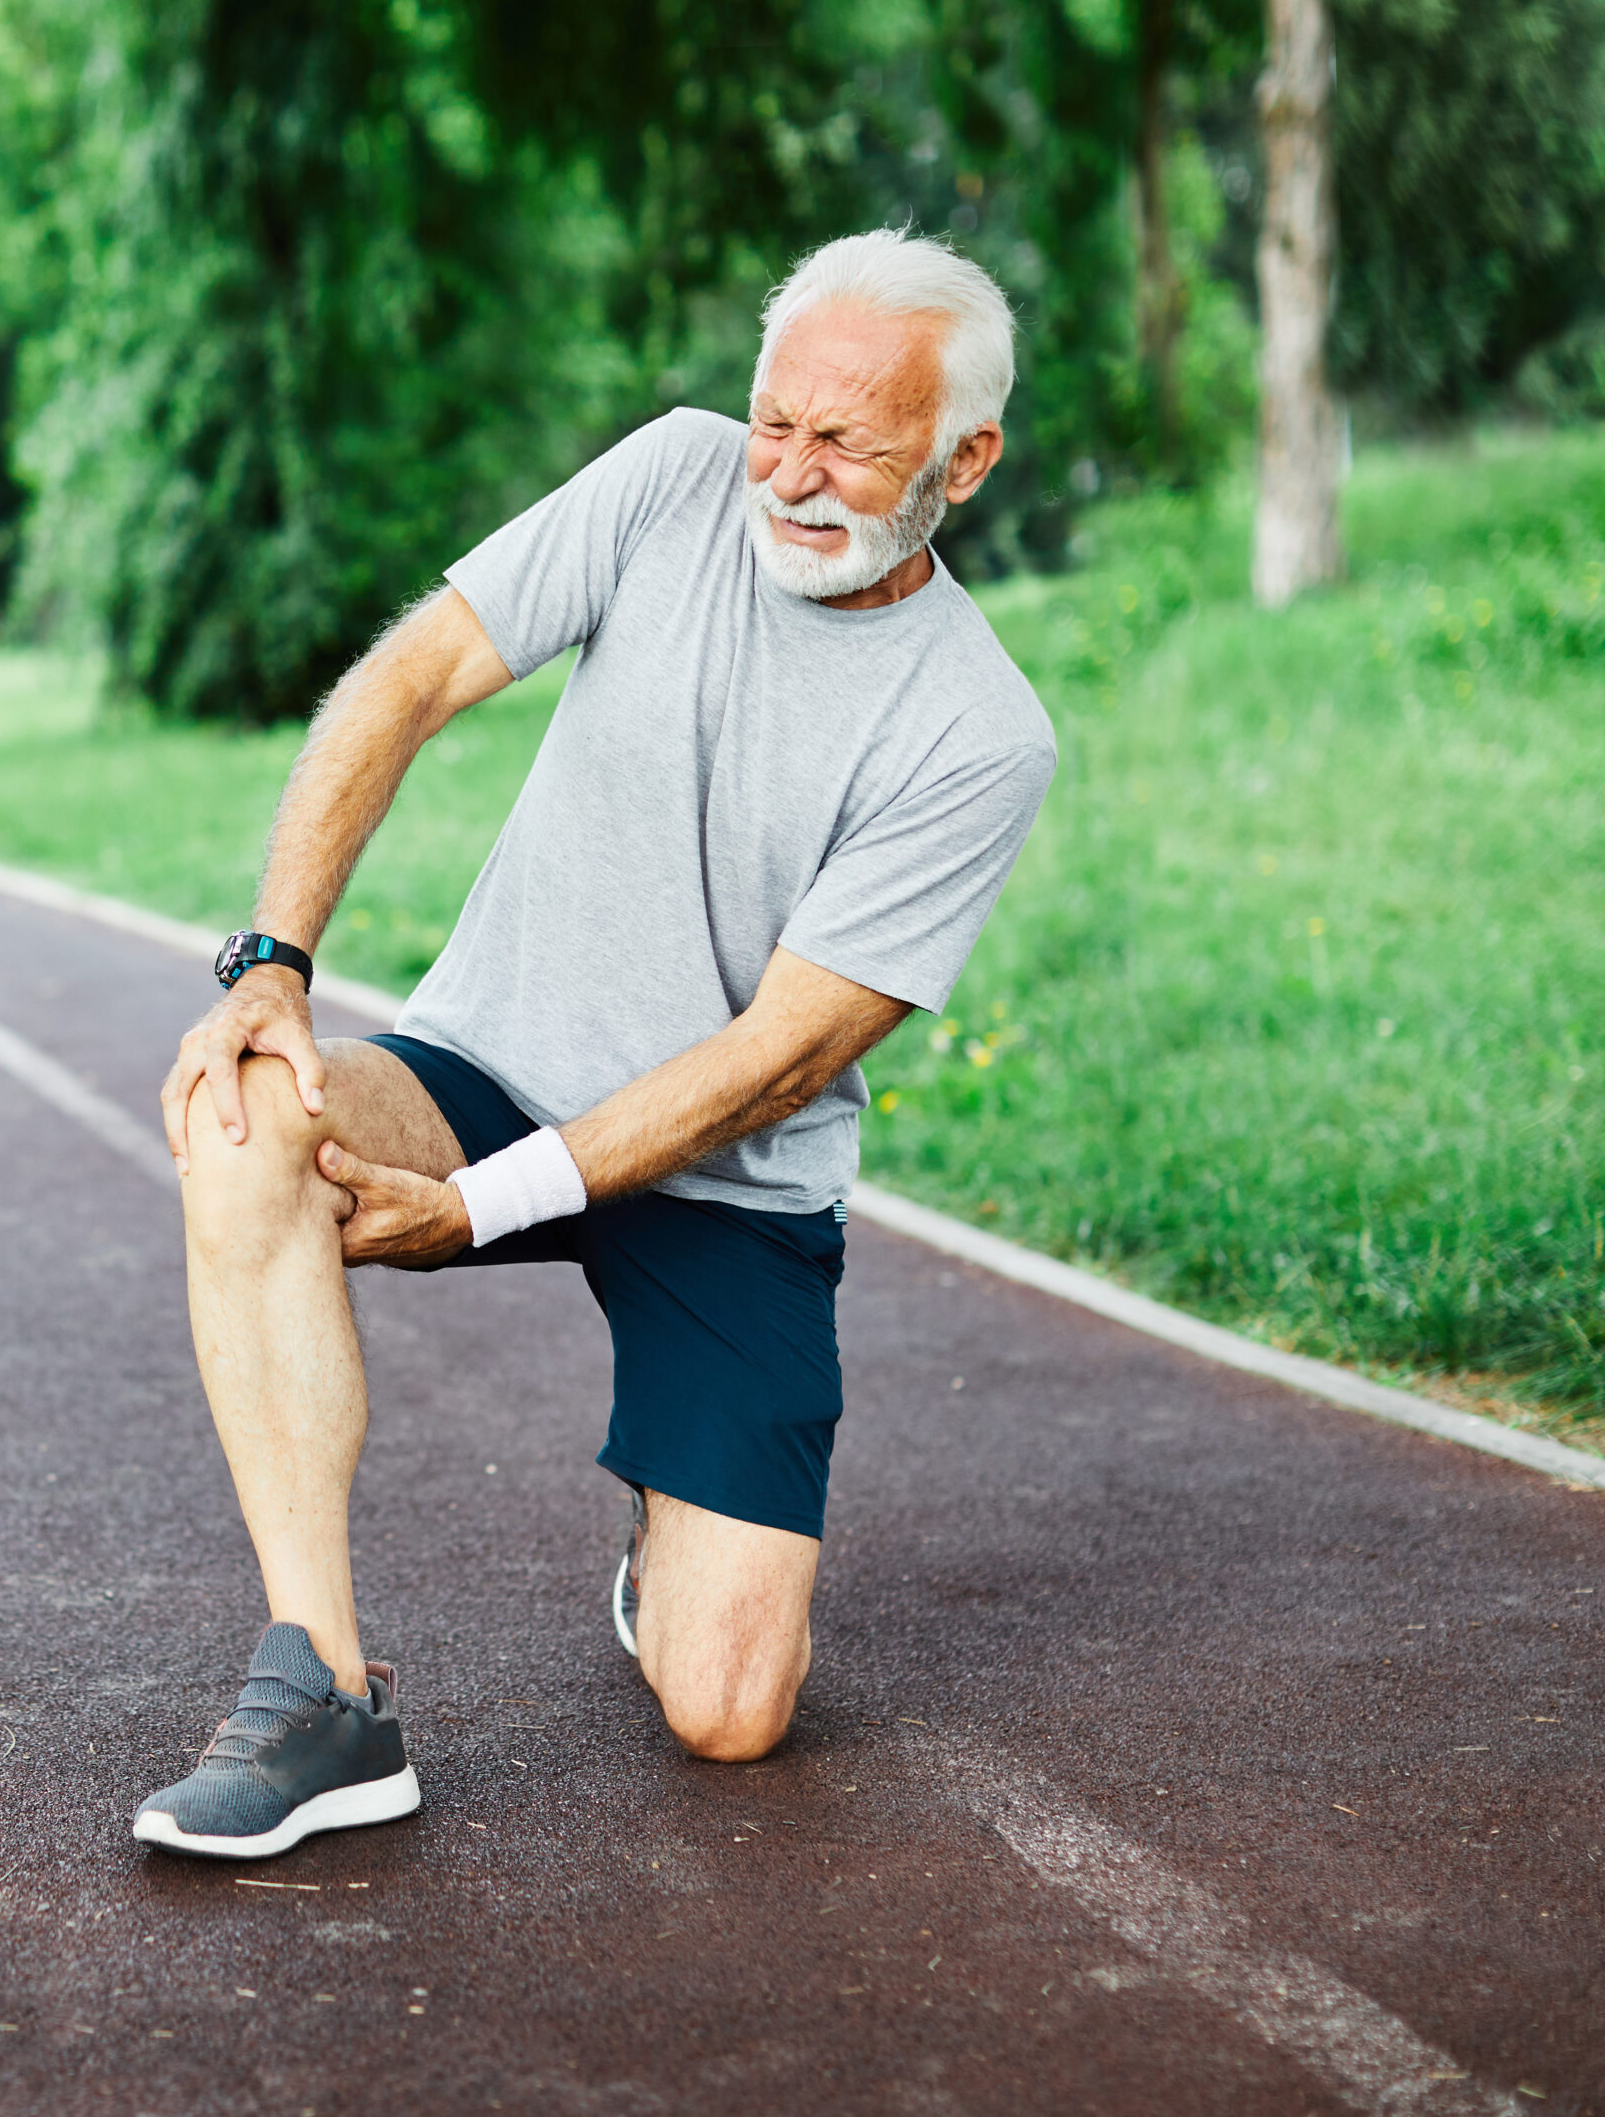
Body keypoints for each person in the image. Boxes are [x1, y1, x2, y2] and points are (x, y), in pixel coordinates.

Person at [132, 229, 1056, 1860]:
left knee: (731, 1713)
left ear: (965, 458)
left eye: (848, 441)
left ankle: (666, 1546)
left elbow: (776, 1057)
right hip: (490, 1070)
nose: (789, 471)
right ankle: (320, 1689)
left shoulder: (979, 733)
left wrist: (484, 1212)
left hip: (731, 1179)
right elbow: (413, 674)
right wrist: (274, 965)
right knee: (244, 1115)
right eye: (779, 419)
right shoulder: (670, 479)